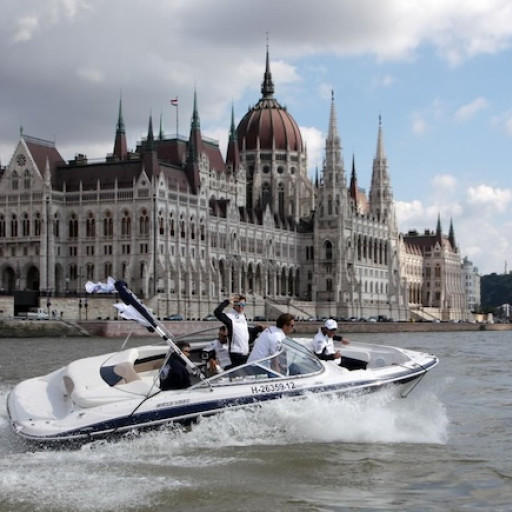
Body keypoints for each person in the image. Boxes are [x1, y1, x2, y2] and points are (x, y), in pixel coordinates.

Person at [214, 293, 263, 367]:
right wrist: (227, 301)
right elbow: (217, 312)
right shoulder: (229, 317)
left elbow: (244, 332)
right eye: (239, 304)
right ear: (234, 304)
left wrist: (259, 329)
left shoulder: (243, 316)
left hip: (245, 351)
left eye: (243, 305)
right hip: (236, 352)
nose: (241, 307)